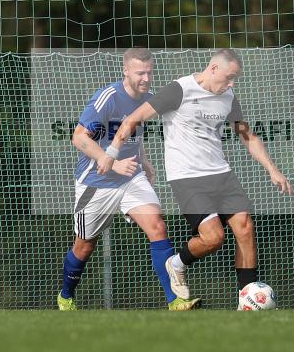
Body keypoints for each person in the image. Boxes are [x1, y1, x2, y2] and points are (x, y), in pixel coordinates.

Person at [98, 48, 293, 301]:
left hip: (221, 174)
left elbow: (247, 135)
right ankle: (177, 264)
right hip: (187, 178)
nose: (232, 83)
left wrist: (273, 169)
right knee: (214, 238)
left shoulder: (229, 96)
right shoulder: (179, 90)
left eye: (235, 79)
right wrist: (111, 153)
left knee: (245, 229)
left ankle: (247, 300)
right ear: (213, 69)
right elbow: (133, 120)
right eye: (229, 77)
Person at [58, 47, 200, 311]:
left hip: (131, 178)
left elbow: (134, 129)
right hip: (96, 183)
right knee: (84, 246)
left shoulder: (149, 98)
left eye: (149, 72)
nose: (145, 78)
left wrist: (142, 160)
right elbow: (78, 137)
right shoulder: (108, 97)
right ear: (125, 71)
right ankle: (66, 295)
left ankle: (176, 301)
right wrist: (109, 161)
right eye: (139, 73)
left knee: (157, 226)